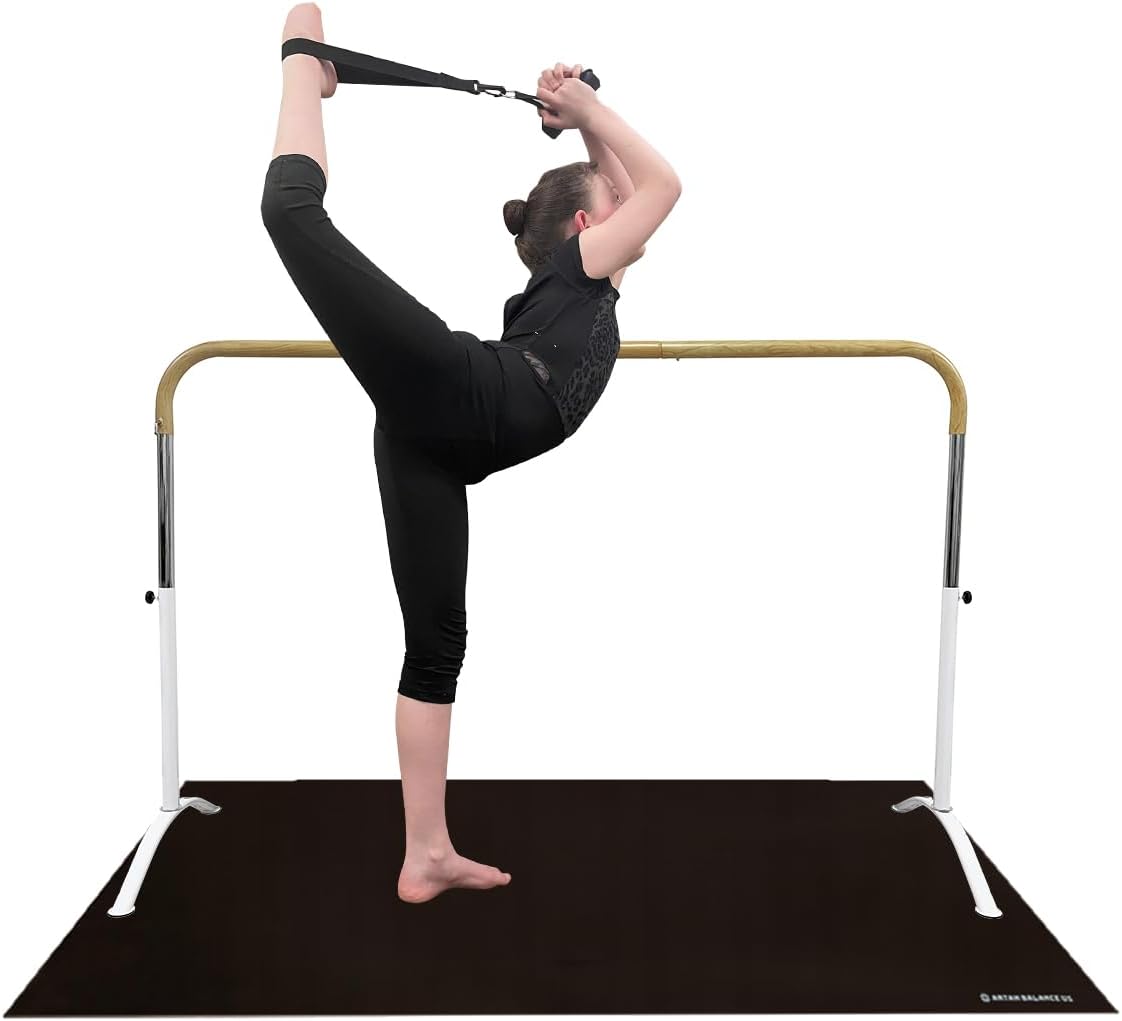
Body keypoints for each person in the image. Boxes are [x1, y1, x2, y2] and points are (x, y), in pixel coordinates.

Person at [260, 3, 682, 905]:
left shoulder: (587, 274)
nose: (630, 217)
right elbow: (663, 184)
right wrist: (586, 111)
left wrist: (583, 112)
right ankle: (302, 63)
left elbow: (632, 190)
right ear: (586, 227)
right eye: (612, 208)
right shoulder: (583, 268)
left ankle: (426, 854)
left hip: (439, 443)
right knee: (290, 214)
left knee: (437, 645)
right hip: (458, 391)